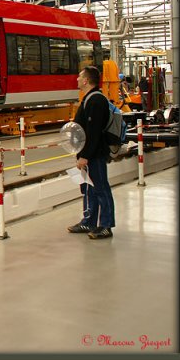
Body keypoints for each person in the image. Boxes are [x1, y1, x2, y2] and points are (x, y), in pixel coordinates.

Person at [67, 66, 115, 239]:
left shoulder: (96, 101)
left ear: (86, 80)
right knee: (90, 189)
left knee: (101, 189)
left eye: (80, 76)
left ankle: (106, 225)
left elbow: (93, 133)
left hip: (95, 155)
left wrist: (85, 156)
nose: (77, 79)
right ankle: (89, 221)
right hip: (87, 154)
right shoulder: (89, 98)